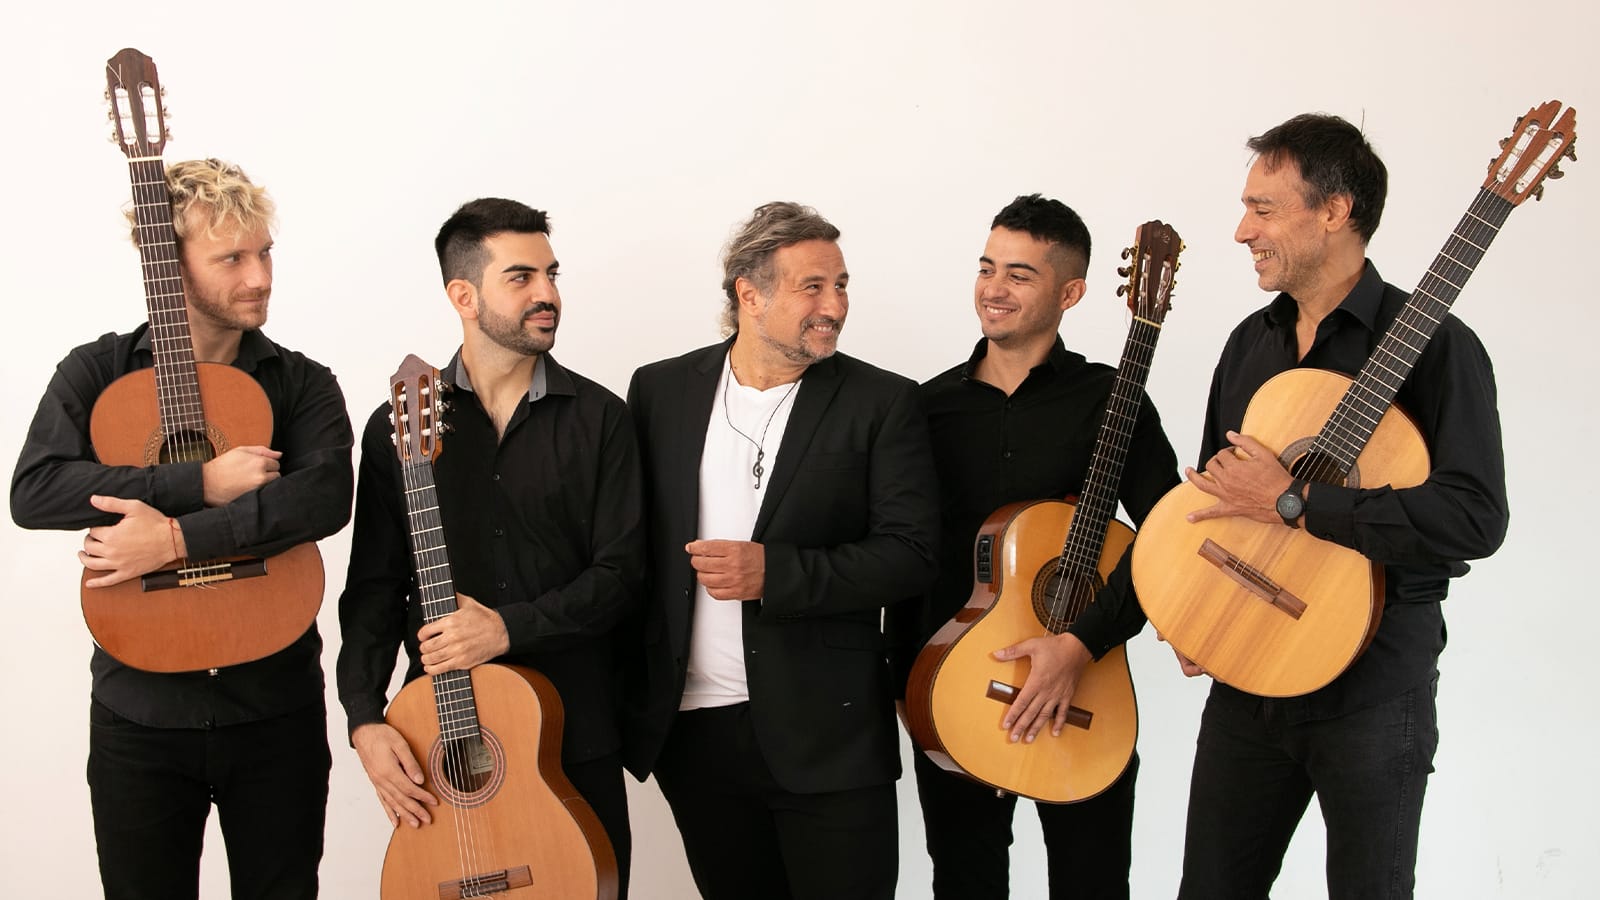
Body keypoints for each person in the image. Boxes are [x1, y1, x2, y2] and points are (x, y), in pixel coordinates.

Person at [1170, 113, 1509, 898]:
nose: (1239, 230)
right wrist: (1189, 607)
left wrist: (1297, 501)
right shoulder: (1249, 345)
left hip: (1374, 689)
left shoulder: (1438, 346)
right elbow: (1215, 498)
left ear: (1334, 210)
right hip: (1246, 680)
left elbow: (1473, 518)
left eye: (1263, 208)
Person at [10, 158, 354, 899]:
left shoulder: (302, 384)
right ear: (169, 267)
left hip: (275, 710)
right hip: (141, 713)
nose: (259, 276)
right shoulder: (95, 372)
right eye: (232, 257)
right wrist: (194, 480)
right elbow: (35, 491)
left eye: (264, 253)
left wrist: (172, 540)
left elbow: (323, 499)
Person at [622, 201, 939, 900]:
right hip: (694, 733)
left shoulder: (882, 402)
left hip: (829, 736)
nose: (836, 305)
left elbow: (912, 554)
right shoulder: (659, 391)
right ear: (749, 294)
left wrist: (779, 572)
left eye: (843, 285)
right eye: (814, 287)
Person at [336, 197, 643, 897]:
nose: (548, 294)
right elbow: (375, 589)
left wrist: (507, 628)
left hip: (574, 741)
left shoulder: (601, 420)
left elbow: (622, 576)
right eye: (522, 277)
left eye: (552, 274)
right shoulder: (400, 427)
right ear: (463, 295)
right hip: (448, 748)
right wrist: (362, 718)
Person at [885, 194, 1180, 899]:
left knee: (1092, 883)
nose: (993, 288)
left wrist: (1080, 644)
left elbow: (1168, 540)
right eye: (987, 267)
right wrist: (904, 682)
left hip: (1086, 681)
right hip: (955, 688)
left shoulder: (1114, 399)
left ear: (1071, 292)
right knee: (965, 882)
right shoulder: (924, 410)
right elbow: (903, 554)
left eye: (1019, 275)